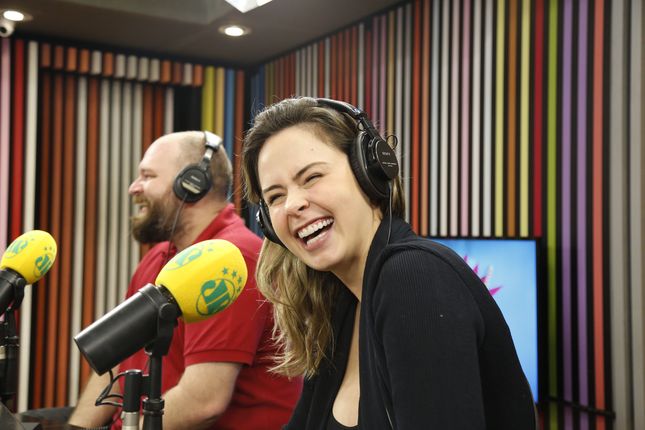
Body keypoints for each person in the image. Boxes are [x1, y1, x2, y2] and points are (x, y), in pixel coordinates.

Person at [241, 97, 537, 429]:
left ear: (369, 171)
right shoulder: (341, 305)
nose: (293, 204)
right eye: (276, 196)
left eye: (312, 177)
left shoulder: (413, 278)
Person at [68, 131, 302, 430]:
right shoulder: (161, 257)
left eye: (147, 176)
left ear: (191, 184)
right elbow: (115, 360)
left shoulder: (230, 262)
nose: (133, 187)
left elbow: (202, 403)